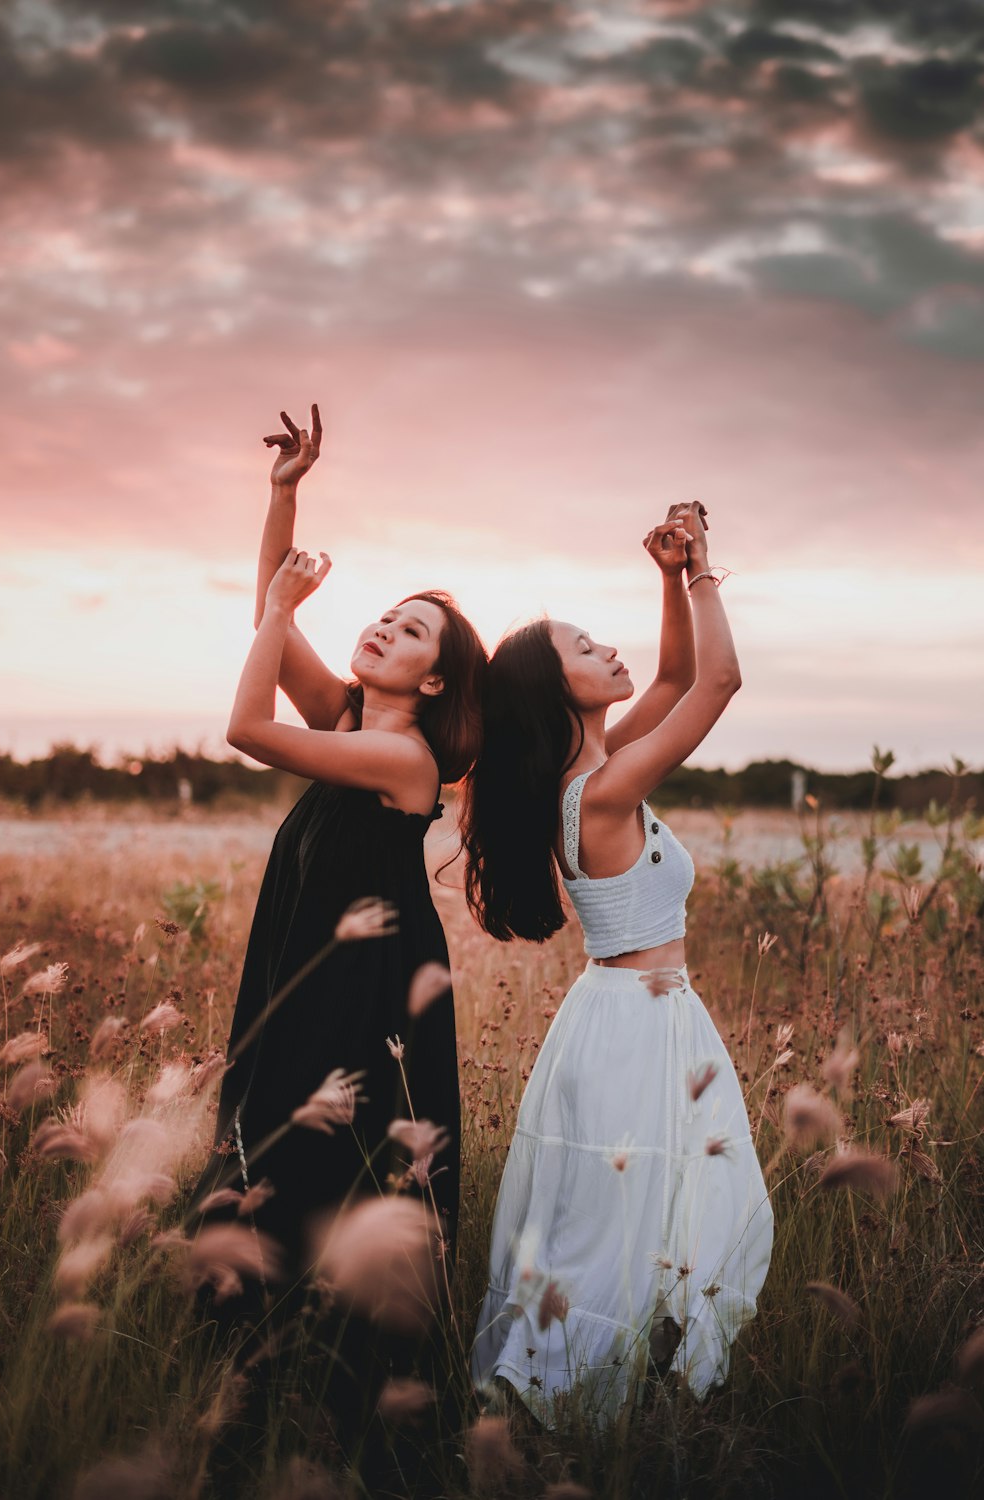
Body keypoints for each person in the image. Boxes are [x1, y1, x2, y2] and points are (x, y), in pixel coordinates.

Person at [188, 404, 486, 1381]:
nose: (381, 627)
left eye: (407, 631)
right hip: (313, 969)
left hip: (368, 991)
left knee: (335, 1156)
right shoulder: (352, 718)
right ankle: (258, 1334)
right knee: (283, 1131)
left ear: (434, 682)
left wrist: (282, 611)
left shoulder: (400, 758)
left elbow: (246, 724)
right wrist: (285, 495)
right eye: (385, 615)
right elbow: (266, 625)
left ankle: (341, 1362)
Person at [462, 503, 773, 1425]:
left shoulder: (603, 764)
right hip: (634, 1025)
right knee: (617, 1234)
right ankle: (570, 1399)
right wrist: (708, 565)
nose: (609, 652)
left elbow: (678, 671)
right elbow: (718, 681)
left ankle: (623, 1390)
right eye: (585, 648)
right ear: (555, 691)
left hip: (647, 1015)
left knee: (652, 1219)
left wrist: (668, 577)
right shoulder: (601, 791)